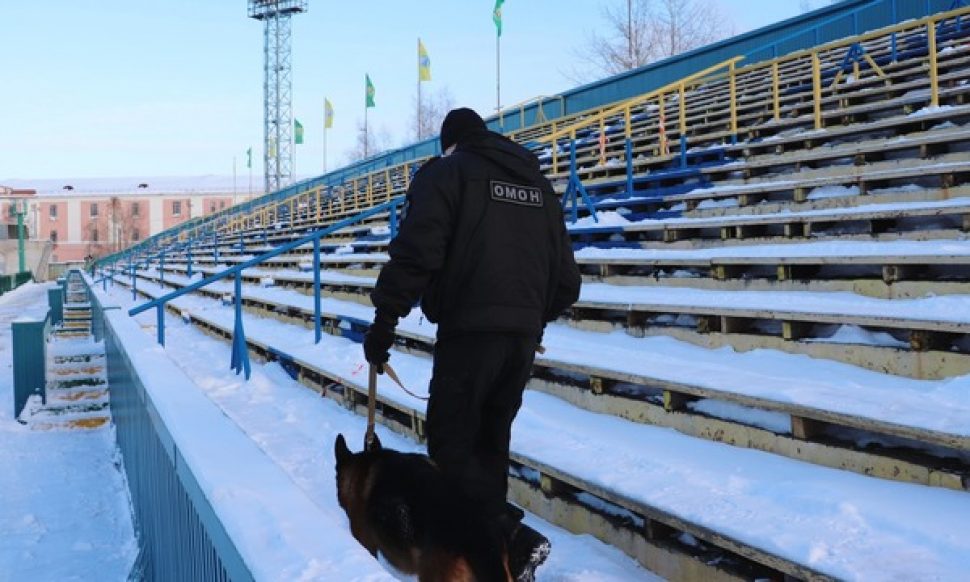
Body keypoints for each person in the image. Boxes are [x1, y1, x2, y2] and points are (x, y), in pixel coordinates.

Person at [363, 107, 581, 581]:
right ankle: (496, 562)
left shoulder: (447, 174)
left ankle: (511, 539)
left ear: (450, 144)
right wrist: (529, 319)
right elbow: (567, 282)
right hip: (521, 340)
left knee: (452, 445)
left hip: (470, 332)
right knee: (490, 445)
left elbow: (418, 253)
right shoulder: (537, 185)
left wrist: (384, 321)